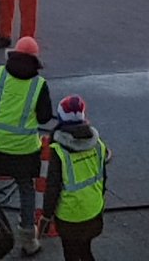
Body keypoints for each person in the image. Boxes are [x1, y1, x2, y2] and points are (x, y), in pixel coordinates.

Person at [0, 36, 54, 250]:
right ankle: (28, 239)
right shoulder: (38, 84)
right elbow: (44, 117)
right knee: (26, 189)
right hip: (24, 149)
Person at [44, 95, 109, 261]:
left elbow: (52, 188)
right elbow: (103, 179)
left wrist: (46, 216)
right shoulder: (99, 145)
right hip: (93, 210)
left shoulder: (59, 151)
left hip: (69, 216)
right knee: (86, 250)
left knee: (71, 253)